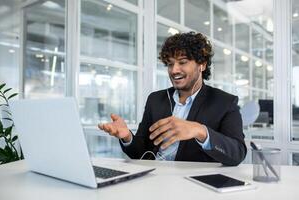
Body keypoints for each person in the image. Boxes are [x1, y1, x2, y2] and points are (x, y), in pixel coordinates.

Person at [98, 32, 247, 166]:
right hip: (154, 180)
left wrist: (200, 131)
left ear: (202, 64)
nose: (174, 70)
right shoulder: (156, 100)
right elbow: (141, 153)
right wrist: (127, 136)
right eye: (170, 64)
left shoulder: (224, 102)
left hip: (194, 186)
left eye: (182, 62)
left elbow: (238, 153)